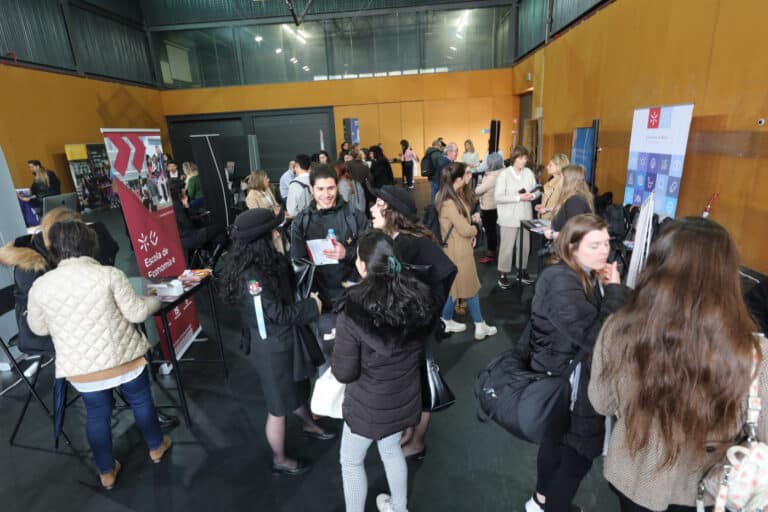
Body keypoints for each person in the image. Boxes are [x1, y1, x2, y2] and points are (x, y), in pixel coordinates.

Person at [588, 217, 768, 512]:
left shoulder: (618, 328)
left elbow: (601, 402)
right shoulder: (755, 353)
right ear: (727, 276)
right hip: (705, 491)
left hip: (632, 478)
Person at [26, 220, 171, 490]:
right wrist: (155, 299)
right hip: (124, 357)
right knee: (141, 401)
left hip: (82, 367)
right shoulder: (109, 274)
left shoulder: (41, 286)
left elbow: (38, 327)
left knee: (96, 415)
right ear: (89, 243)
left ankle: (106, 472)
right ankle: (156, 446)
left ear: (55, 249)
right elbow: (137, 313)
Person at [524, 213, 629, 512]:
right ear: (571, 247)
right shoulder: (560, 280)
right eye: (594, 245)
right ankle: (552, 505)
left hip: (565, 379)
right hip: (568, 383)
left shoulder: (581, 273)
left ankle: (542, 501)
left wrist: (609, 288)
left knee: (556, 444)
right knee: (579, 455)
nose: (604, 251)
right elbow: (596, 337)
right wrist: (615, 291)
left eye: (606, 243)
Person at [220, 208, 334, 476]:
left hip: (282, 341)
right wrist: (313, 306)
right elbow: (275, 316)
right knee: (277, 407)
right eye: (273, 230)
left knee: (295, 386)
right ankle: (279, 459)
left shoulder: (266, 261)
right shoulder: (252, 277)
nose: (278, 232)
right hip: (271, 347)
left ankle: (308, 424)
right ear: (261, 238)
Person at [333, 230, 438, 512]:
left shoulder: (352, 309)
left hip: (367, 404)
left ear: (362, 266)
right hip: (402, 398)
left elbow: (344, 372)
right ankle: (398, 507)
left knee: (351, 461)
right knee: (391, 451)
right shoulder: (417, 299)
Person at [369, 185, 457, 461]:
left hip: (418, 331)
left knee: (421, 385)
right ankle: (410, 431)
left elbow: (445, 273)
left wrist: (425, 314)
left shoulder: (412, 243)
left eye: (377, 204)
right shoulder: (395, 239)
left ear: (391, 212)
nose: (371, 208)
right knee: (411, 384)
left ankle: (417, 442)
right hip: (407, 330)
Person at [290, 164, 369, 311]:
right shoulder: (301, 222)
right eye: (320, 189)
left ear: (337, 186)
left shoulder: (354, 216)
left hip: (352, 294)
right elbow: (297, 263)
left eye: (330, 188)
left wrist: (347, 253)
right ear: (311, 189)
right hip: (318, 298)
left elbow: (370, 253)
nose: (326, 195)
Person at [436, 161, 497, 340]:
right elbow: (464, 229)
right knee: (471, 287)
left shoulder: (448, 196)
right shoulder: (450, 202)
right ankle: (480, 325)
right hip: (459, 250)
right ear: (459, 178)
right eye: (468, 173)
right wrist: (474, 229)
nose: (470, 176)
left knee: (454, 289)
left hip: (456, 247)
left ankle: (446, 320)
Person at [495, 145, 539, 288]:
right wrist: (518, 197)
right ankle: (503, 275)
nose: (523, 161)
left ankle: (522, 271)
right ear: (514, 158)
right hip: (508, 217)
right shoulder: (504, 174)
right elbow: (498, 197)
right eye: (521, 158)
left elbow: (537, 190)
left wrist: (532, 195)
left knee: (525, 246)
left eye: (525, 158)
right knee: (507, 248)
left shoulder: (528, 173)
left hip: (525, 216)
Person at [170, 180, 227, 269]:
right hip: (190, 238)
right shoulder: (176, 205)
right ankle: (212, 262)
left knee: (220, 236)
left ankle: (211, 261)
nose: (185, 189)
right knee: (220, 227)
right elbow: (188, 224)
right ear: (178, 190)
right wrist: (186, 205)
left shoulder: (172, 204)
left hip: (185, 238)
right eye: (183, 188)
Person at [546, 165, 595, 239]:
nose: (559, 180)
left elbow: (576, 233)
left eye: (561, 177)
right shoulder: (572, 197)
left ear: (568, 180)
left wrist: (553, 235)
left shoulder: (575, 201)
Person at [474, 152, 505, 264]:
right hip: (496, 206)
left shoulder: (492, 176)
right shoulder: (502, 173)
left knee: (490, 232)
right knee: (493, 231)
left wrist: (479, 181)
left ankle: (491, 253)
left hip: (489, 207)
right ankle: (493, 251)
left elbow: (478, 190)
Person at [535, 154, 569, 221]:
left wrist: (547, 209)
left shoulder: (562, 183)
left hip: (554, 221)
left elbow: (564, 205)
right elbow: (551, 201)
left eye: (550, 165)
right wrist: (542, 206)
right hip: (544, 220)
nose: (547, 167)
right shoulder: (551, 181)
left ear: (559, 166)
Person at [286, 154, 312, 218]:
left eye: (294, 166)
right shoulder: (317, 181)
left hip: (304, 222)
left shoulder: (294, 184)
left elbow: (292, 211)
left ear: (297, 166)